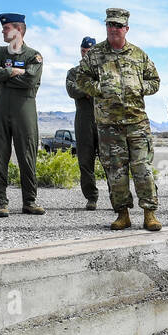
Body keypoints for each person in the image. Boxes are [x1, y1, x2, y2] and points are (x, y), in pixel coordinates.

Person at [74, 7, 162, 232]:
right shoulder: (95, 54)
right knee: (116, 171)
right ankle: (122, 214)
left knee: (143, 168)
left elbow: (155, 80)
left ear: (126, 29)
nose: (113, 29)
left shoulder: (138, 55)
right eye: (110, 25)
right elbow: (80, 78)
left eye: (118, 26)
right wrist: (99, 88)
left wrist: (141, 86)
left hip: (137, 122)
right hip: (109, 125)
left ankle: (149, 213)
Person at [0, 12, 43, 217]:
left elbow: (30, 80)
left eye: (6, 27)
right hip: (0, 109)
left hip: (24, 110)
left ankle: (29, 201)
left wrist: (3, 76)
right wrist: (11, 72)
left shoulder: (33, 56)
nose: (2, 30)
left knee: (27, 156)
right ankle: (1, 202)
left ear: (18, 30)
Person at [65, 36, 101, 211]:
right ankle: (91, 197)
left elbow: (108, 90)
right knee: (85, 162)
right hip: (83, 119)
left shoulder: (103, 71)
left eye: (89, 51)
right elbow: (71, 90)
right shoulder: (74, 72)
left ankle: (117, 198)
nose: (85, 54)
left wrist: (87, 90)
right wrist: (90, 90)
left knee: (110, 161)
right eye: (83, 51)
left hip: (103, 119)